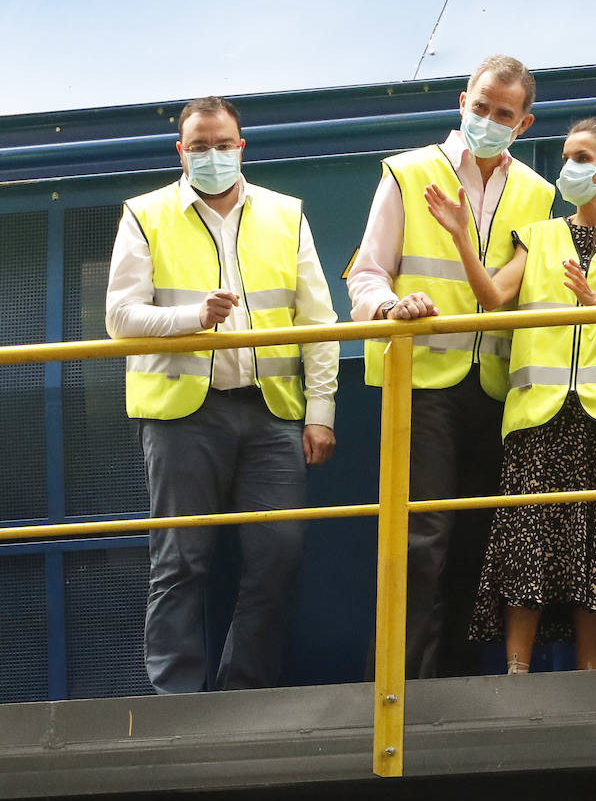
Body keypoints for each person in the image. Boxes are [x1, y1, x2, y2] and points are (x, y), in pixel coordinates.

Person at [106, 96, 340, 693]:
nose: (213, 155)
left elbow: (319, 322)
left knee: (278, 557)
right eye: (200, 146)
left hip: (272, 414)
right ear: (180, 152)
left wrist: (321, 414)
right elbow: (120, 318)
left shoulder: (286, 215)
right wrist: (192, 318)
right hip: (183, 416)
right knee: (180, 561)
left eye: (223, 144)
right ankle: (176, 699)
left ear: (242, 146)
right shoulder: (146, 214)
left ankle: (245, 691)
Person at [424, 117, 596, 673]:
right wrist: (462, 235)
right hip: (537, 419)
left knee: (593, 548)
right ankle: (518, 672)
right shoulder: (538, 236)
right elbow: (493, 297)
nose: (570, 169)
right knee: (527, 541)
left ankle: (590, 678)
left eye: (582, 158)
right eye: (567, 157)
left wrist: (593, 299)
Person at [346, 54, 554, 678]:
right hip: (423, 382)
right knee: (420, 539)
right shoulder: (408, 173)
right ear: (462, 101)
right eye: (481, 106)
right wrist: (390, 307)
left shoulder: (538, 194)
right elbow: (366, 273)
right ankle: (400, 688)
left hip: (497, 388)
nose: (488, 120)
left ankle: (458, 686)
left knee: (476, 542)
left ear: (524, 124)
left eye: (504, 114)